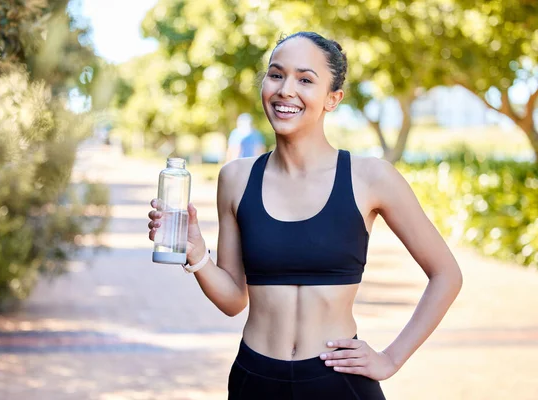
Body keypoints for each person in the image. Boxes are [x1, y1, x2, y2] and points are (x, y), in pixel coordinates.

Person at [148, 31, 462, 399]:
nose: (285, 90)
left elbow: (447, 274)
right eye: (276, 74)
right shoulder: (235, 179)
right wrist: (197, 254)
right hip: (256, 380)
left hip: (339, 382)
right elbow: (234, 300)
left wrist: (391, 359)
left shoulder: (370, 177)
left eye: (306, 80)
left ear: (332, 99)